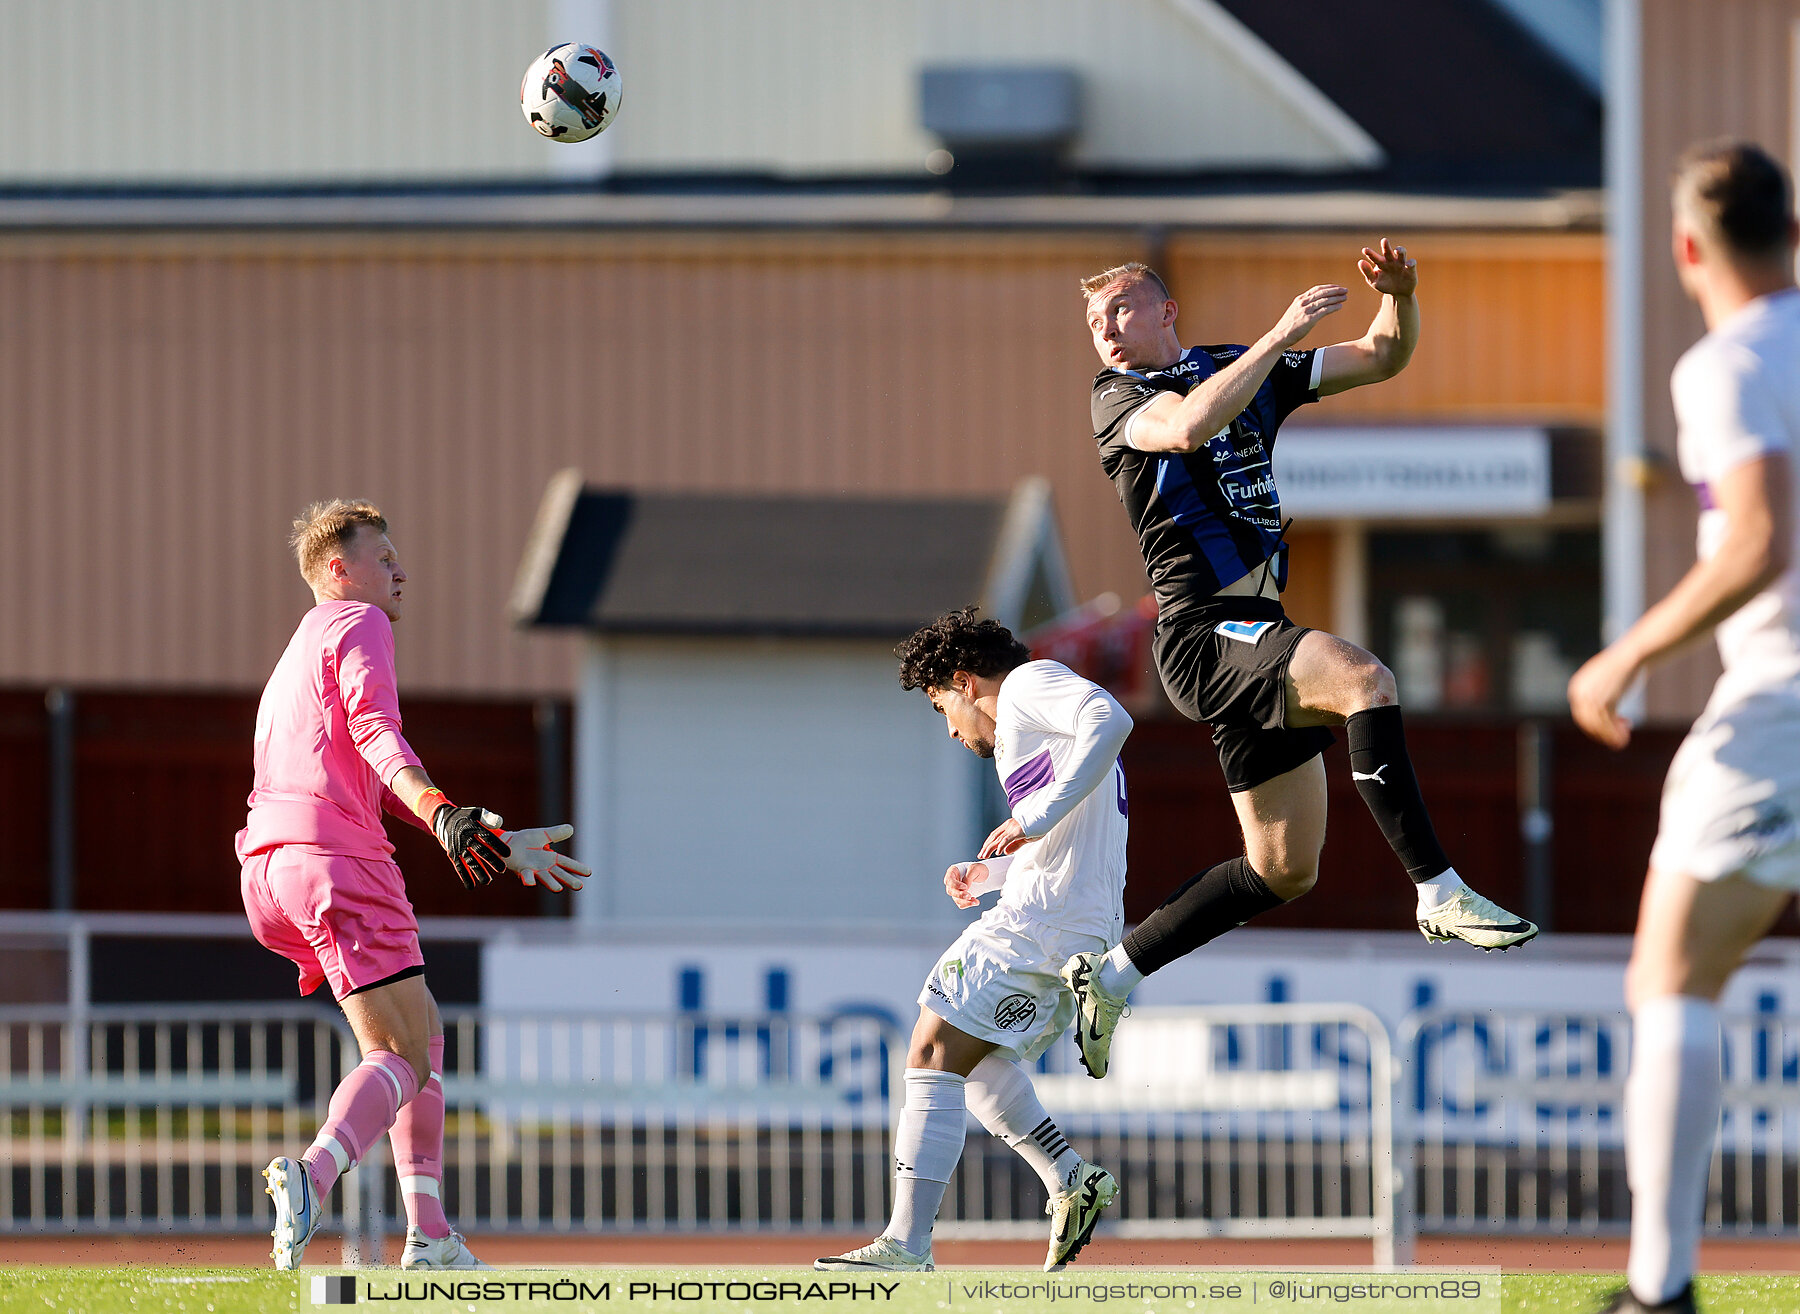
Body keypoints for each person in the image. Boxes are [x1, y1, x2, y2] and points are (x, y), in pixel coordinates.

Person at [1061, 243, 1537, 1079]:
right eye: (1096, 322)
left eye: (1121, 312)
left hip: (1255, 625)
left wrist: (1402, 296)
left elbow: (1385, 354)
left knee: (1283, 870)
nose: (1106, 332)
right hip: (1203, 633)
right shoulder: (1119, 396)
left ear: (1166, 312)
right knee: (1365, 679)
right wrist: (1279, 334)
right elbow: (1187, 426)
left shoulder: (1238, 370)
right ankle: (1437, 890)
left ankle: (1112, 974)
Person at [1567, 142, 1800, 1314]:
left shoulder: (1728, 364)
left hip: (1783, 704)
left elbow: (1761, 540)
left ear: (1688, 247)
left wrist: (1624, 653)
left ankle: (1660, 1292)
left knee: (1673, 977)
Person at [239, 499, 590, 1271]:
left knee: (420, 1033)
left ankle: (428, 1233)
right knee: (401, 1054)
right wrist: (444, 811)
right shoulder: (358, 624)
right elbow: (376, 732)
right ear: (338, 568)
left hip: (268, 871)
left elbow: (358, 763)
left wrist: (486, 840)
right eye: (384, 556)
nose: (401, 570)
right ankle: (312, 1174)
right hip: (336, 863)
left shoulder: (299, 649)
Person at [816, 608, 1131, 1273]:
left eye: (941, 708)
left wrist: (1031, 816)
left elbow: (1114, 718)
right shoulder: (1040, 726)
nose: (952, 730)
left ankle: (906, 1243)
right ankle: (1070, 1178)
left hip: (1038, 926)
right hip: (1070, 925)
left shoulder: (1026, 687)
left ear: (964, 681)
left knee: (929, 1047)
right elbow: (1074, 838)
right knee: (969, 1062)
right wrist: (992, 872)